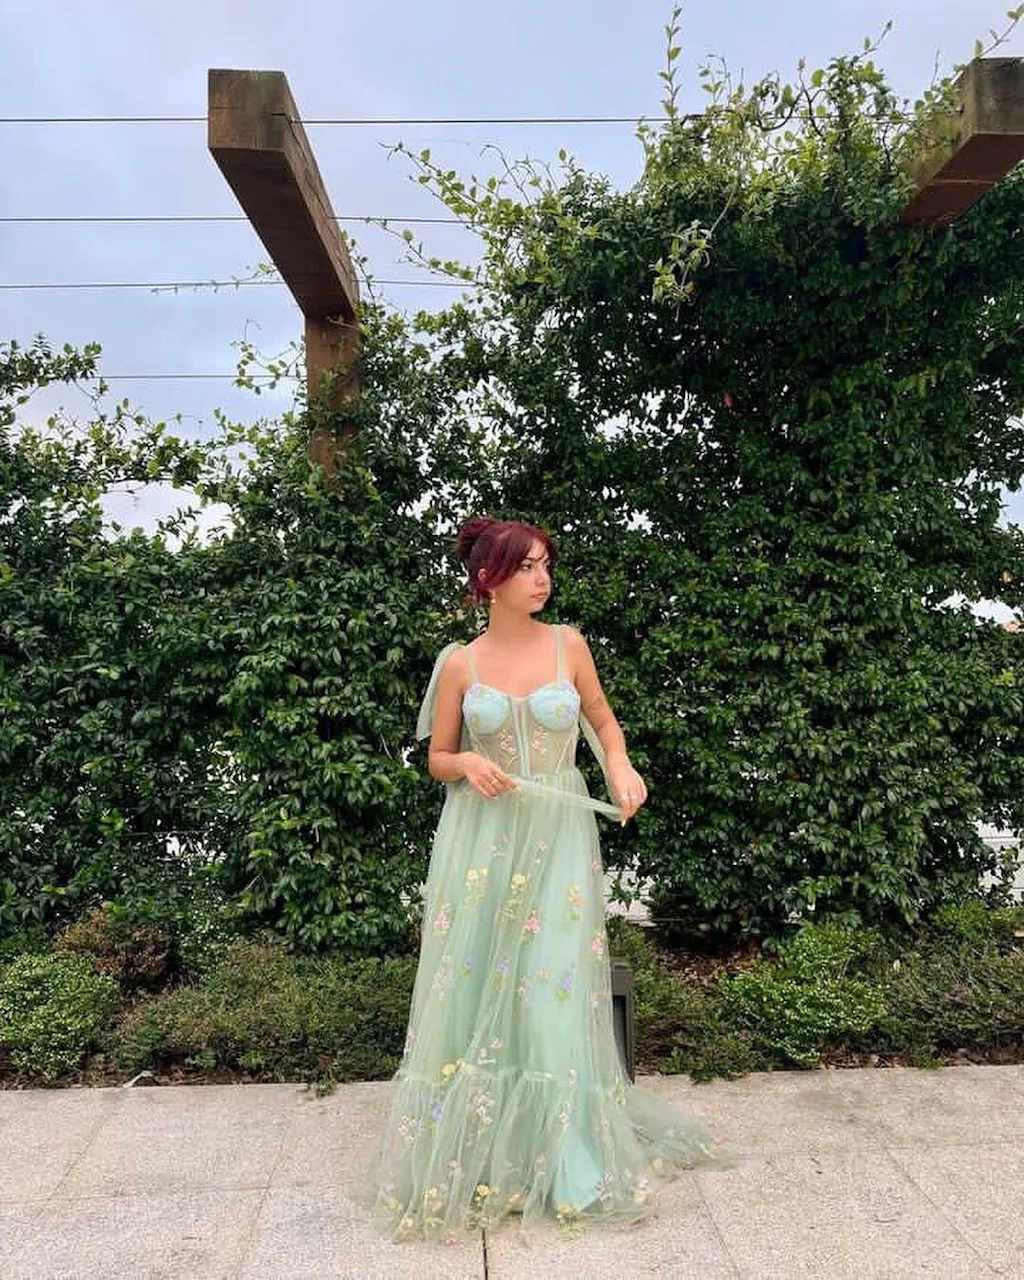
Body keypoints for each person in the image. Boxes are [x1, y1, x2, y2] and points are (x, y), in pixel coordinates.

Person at [372, 516, 730, 1243]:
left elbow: (603, 724)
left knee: (552, 984)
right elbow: (437, 757)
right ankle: (481, 1154)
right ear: (489, 580)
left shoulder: (571, 646)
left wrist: (620, 767)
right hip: (483, 840)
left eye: (546, 566)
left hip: (560, 835)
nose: (543, 579)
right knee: (475, 983)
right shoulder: (459, 664)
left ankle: (568, 1161)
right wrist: (466, 763)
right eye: (528, 567)